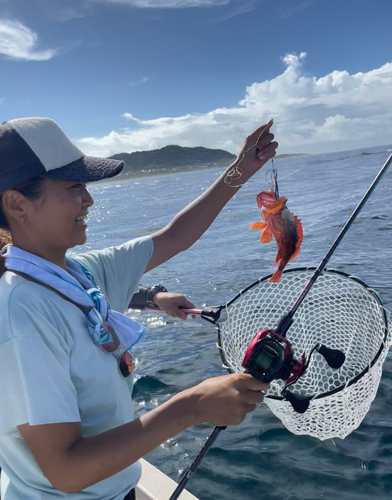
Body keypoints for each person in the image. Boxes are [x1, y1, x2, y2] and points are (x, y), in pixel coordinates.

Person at [0, 117, 277, 499]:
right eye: (74, 185)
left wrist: (241, 169)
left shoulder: (77, 272)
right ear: (17, 204)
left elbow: (175, 236)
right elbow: (65, 472)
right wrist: (193, 405)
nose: (89, 199)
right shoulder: (21, 315)